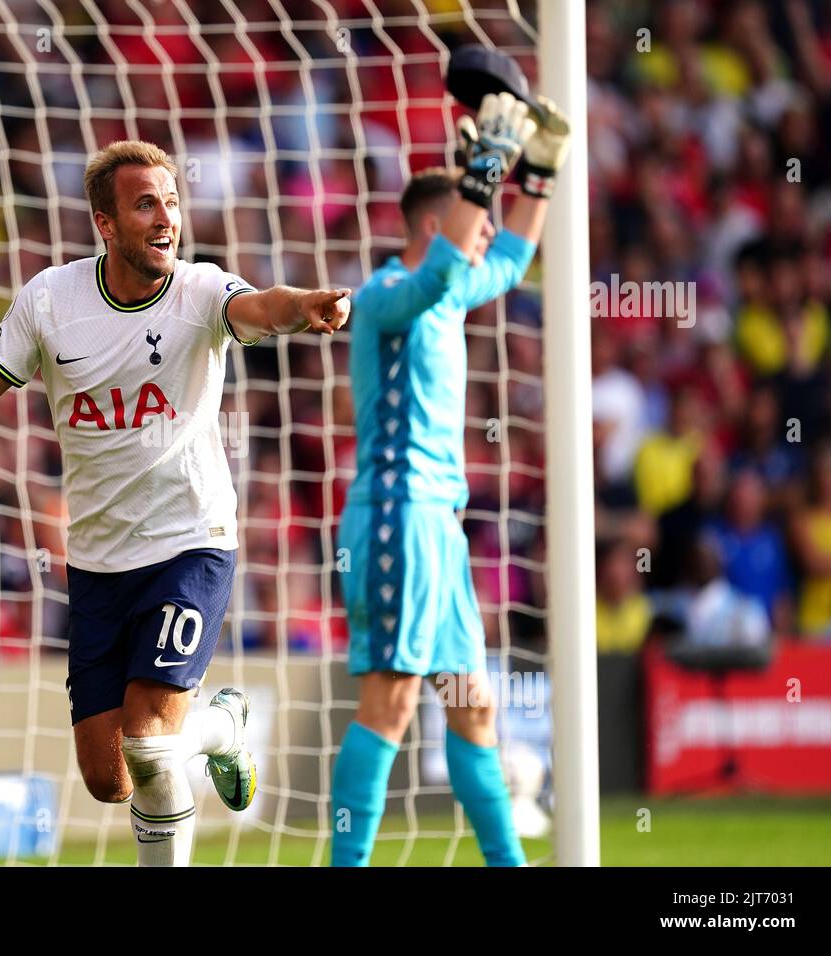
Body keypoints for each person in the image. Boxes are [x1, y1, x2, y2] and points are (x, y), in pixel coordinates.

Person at [0, 140, 353, 866]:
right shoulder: (51, 302)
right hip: (96, 561)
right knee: (109, 777)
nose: (165, 219)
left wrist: (303, 306)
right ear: (105, 223)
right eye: (145, 203)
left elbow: (261, 306)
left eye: (171, 202)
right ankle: (222, 725)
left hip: (191, 541)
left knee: (150, 744)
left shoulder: (201, 292)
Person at [331, 91, 571, 867]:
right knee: (392, 702)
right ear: (436, 228)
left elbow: (506, 259)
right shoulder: (384, 297)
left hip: (439, 522)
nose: (489, 231)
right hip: (396, 516)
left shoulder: (447, 289)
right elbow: (442, 276)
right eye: (476, 215)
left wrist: (533, 174)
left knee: (473, 708)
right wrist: (484, 171)